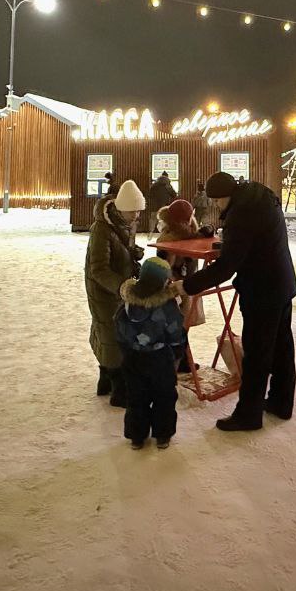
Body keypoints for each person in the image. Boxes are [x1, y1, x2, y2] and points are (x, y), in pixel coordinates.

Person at [180, 171, 296, 431]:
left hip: (262, 289)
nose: (216, 206)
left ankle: (249, 414)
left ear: (225, 197)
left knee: (256, 353)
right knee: (281, 345)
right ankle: (281, 401)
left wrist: (187, 285)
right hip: (281, 282)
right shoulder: (258, 196)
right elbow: (253, 243)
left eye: (217, 201)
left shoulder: (241, 214)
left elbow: (226, 268)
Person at [85, 179, 146, 407]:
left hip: (119, 287)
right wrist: (121, 285)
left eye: (139, 210)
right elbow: (98, 267)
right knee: (110, 334)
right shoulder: (101, 229)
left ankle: (105, 381)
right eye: (134, 211)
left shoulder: (125, 224)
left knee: (113, 332)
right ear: (121, 208)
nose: (137, 215)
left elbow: (124, 249)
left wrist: (134, 253)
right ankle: (120, 391)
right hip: (103, 288)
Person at [115, 257, 187, 450]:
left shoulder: (127, 304)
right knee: (164, 397)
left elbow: (120, 331)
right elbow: (175, 333)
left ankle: (136, 437)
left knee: (136, 398)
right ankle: (163, 435)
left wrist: (126, 351)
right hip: (160, 359)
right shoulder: (167, 307)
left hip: (133, 359)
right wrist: (178, 351)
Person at [156, 198, 206, 373]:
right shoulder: (168, 238)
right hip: (177, 287)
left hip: (189, 284)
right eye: (186, 218)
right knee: (176, 326)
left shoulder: (190, 232)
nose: (189, 220)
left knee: (183, 326)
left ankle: (183, 359)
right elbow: (164, 268)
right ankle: (175, 362)